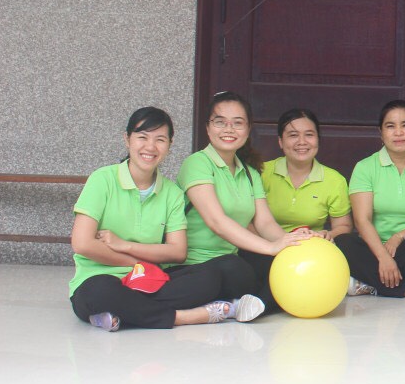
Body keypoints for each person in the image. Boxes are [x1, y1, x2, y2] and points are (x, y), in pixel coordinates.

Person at [70, 107, 265, 331]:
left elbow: (177, 252)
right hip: (101, 278)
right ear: (127, 139)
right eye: (142, 137)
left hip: (151, 282)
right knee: (100, 291)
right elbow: (82, 244)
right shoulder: (102, 179)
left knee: (208, 278)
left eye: (160, 139)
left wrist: (125, 245)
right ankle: (183, 317)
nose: (150, 147)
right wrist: (135, 263)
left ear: (170, 145)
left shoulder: (172, 192)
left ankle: (123, 314)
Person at [178, 91, 312, 314]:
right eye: (220, 122)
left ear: (248, 130)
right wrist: (270, 247)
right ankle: (252, 304)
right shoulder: (197, 164)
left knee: (281, 266)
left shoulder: (250, 173)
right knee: (238, 268)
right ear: (208, 127)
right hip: (194, 266)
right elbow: (216, 222)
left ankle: (247, 306)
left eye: (237, 123)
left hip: (230, 261)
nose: (229, 129)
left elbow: (265, 223)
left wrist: (292, 244)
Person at [336, 100, 405, 298]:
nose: (398, 132)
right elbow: (362, 220)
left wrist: (398, 237)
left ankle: (371, 284)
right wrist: (383, 257)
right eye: (390, 126)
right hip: (372, 250)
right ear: (381, 133)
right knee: (343, 241)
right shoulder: (365, 168)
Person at [261, 108, 352, 240]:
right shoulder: (261, 172)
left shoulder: (335, 180)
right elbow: (248, 222)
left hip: (311, 246)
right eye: (293, 135)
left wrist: (327, 235)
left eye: (309, 135)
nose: (302, 142)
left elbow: (343, 225)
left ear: (318, 139)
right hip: (265, 246)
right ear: (280, 141)